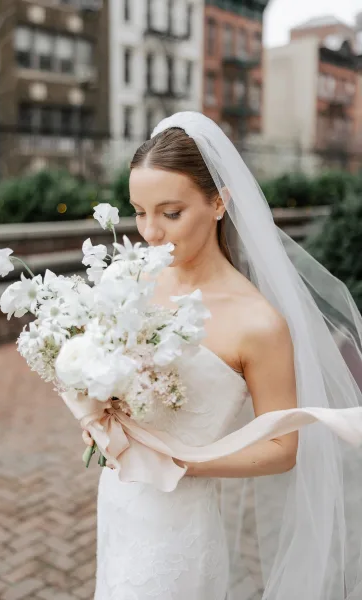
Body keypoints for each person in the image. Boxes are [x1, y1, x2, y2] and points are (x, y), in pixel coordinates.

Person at [83, 112, 362, 600]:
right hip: (121, 501)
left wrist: (181, 462)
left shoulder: (259, 322)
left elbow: (282, 450)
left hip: (179, 525)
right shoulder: (131, 284)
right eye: (139, 211)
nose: (149, 232)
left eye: (170, 213)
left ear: (218, 203)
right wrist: (97, 417)